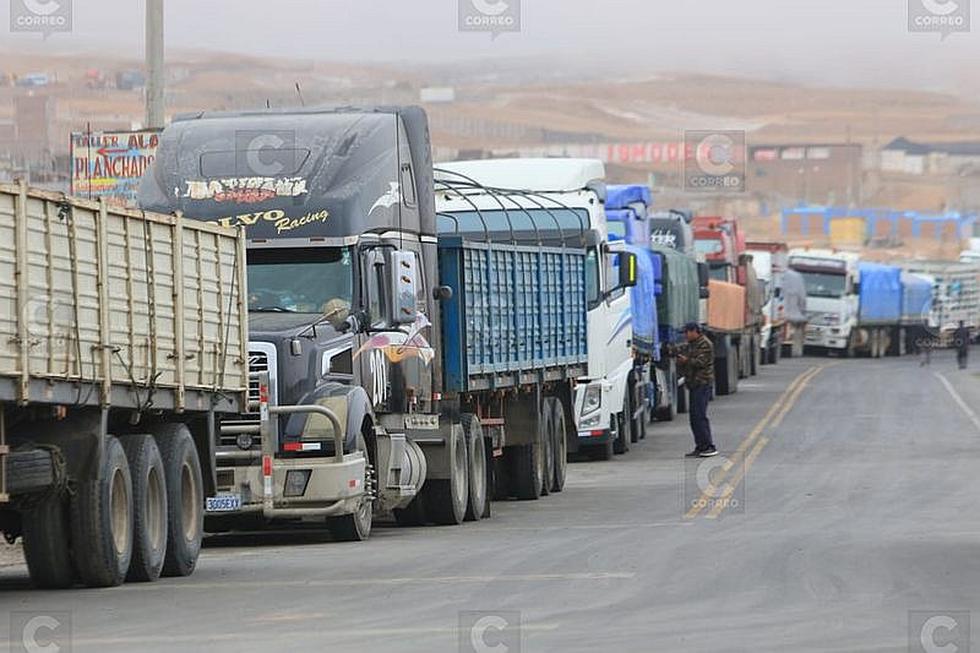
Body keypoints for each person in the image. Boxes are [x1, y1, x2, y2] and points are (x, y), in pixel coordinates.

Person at [676, 322, 718, 458]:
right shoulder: (693, 344)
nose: (685, 335)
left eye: (687, 332)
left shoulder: (705, 344)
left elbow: (700, 362)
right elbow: (682, 350)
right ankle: (700, 446)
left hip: (702, 384)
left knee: (700, 416)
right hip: (694, 384)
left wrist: (686, 360)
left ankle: (708, 446)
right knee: (694, 418)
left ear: (695, 331)